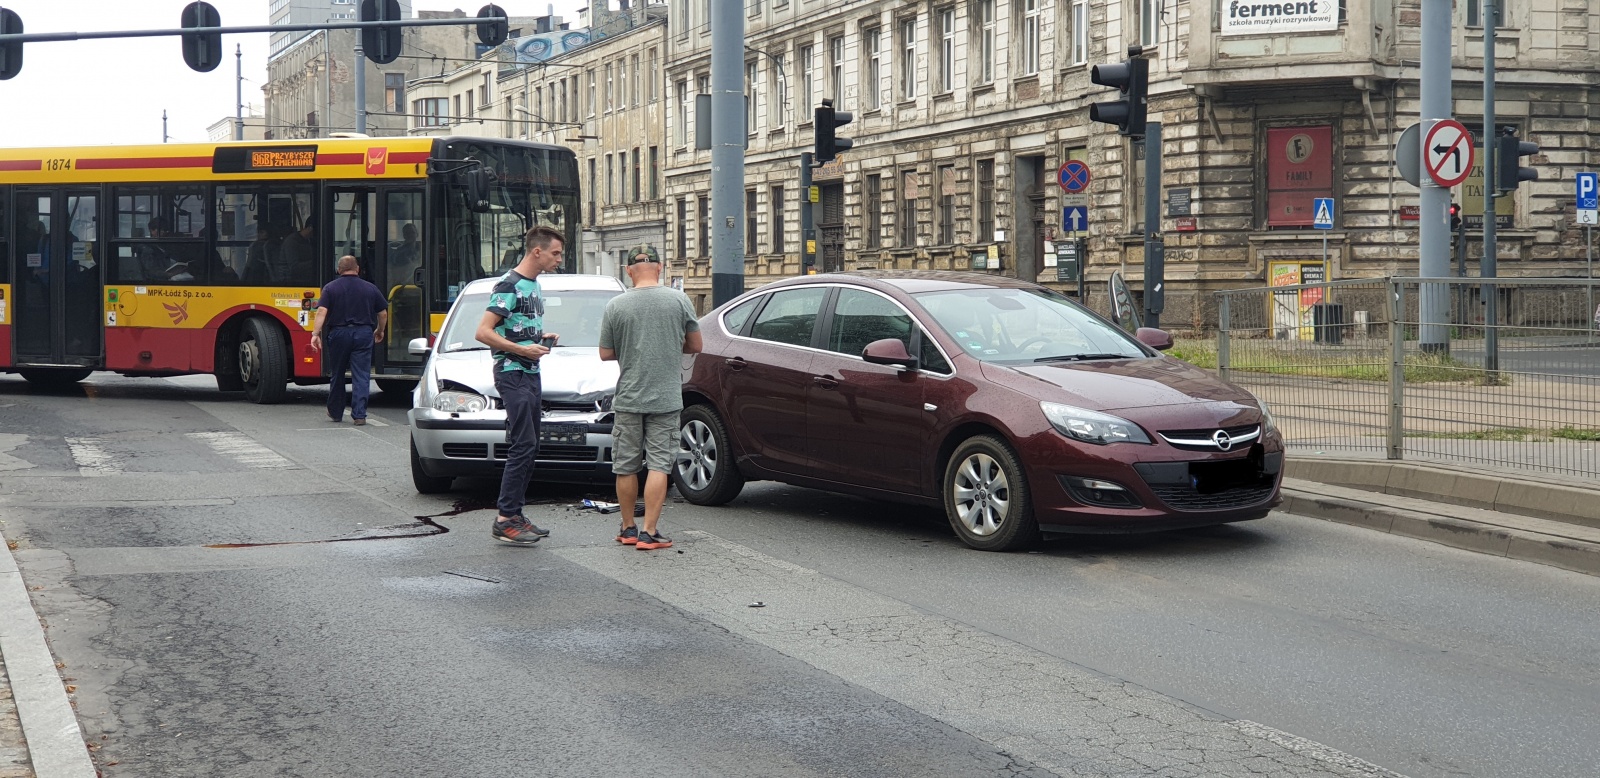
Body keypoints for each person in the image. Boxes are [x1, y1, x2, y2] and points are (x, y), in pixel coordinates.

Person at [600, 244, 702, 551]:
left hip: (629, 396)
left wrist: (631, 347)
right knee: (659, 464)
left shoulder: (616, 305)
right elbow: (695, 344)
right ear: (660, 268)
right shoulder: (679, 300)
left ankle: (628, 528)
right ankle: (650, 532)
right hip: (666, 398)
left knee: (626, 465)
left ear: (629, 271)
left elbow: (606, 353)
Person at [473, 225, 565, 546]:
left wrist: (538, 338)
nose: (559, 260)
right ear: (536, 252)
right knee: (523, 445)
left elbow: (514, 327)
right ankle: (504, 517)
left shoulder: (533, 285)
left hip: (529, 371)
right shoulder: (509, 285)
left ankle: (515, 514)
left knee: (530, 444)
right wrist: (522, 350)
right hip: (512, 372)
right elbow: (483, 332)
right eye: (555, 253)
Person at [310, 255, 389, 426]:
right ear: (358, 269)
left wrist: (315, 334)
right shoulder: (370, 288)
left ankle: (335, 412)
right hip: (363, 333)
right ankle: (360, 415)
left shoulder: (330, 288)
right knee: (361, 375)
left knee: (337, 373)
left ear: (339, 270)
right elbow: (382, 313)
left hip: (339, 333)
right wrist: (379, 330)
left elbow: (322, 312)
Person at [278, 216, 317, 286]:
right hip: (292, 281)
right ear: (310, 228)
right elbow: (294, 267)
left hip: (306, 278)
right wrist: (316, 262)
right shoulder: (292, 241)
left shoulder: (309, 241)